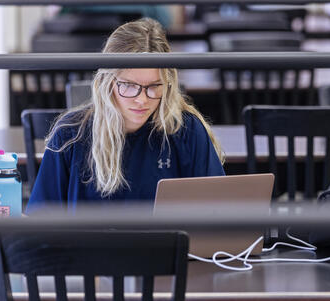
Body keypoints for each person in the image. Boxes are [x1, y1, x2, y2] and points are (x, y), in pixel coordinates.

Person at [26, 18, 225, 213]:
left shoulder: (186, 131)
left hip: (164, 246)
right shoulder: (69, 135)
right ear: (107, 82)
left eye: (154, 87)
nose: (142, 100)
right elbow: (40, 223)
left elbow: (219, 214)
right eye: (129, 86)